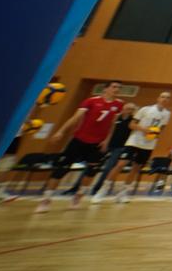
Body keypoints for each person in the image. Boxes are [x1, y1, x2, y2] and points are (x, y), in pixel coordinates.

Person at [36, 81, 125, 212]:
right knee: (61, 169)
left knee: (91, 172)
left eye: (119, 88)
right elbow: (75, 118)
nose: (117, 89)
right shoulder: (91, 101)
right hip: (79, 140)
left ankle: (78, 197)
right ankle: (46, 200)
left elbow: (112, 124)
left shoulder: (118, 104)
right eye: (114, 87)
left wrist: (107, 140)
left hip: (98, 143)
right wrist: (61, 131)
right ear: (105, 89)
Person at [110, 91, 172, 204]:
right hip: (134, 141)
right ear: (158, 98)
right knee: (120, 164)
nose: (165, 99)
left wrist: (156, 133)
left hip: (148, 144)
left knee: (136, 168)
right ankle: (103, 189)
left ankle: (123, 193)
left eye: (167, 98)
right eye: (163, 97)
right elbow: (131, 124)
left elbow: (162, 127)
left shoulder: (167, 114)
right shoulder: (146, 109)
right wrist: (144, 130)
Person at [85, 102, 136, 202]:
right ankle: (79, 187)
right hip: (108, 144)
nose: (129, 110)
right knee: (92, 165)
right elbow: (110, 130)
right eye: (127, 108)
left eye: (131, 109)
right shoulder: (116, 117)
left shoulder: (133, 120)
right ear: (123, 108)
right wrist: (106, 141)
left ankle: (98, 189)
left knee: (109, 168)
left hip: (120, 147)